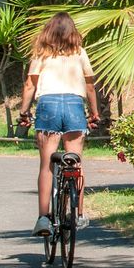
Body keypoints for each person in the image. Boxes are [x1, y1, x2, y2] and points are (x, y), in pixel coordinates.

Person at [17, 12, 100, 236]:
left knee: (46, 165)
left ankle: (43, 218)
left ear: (49, 31)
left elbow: (29, 85)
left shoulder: (41, 53)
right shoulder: (80, 52)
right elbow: (90, 86)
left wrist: (24, 112)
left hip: (48, 106)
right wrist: (94, 113)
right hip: (74, 105)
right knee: (75, 162)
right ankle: (78, 214)